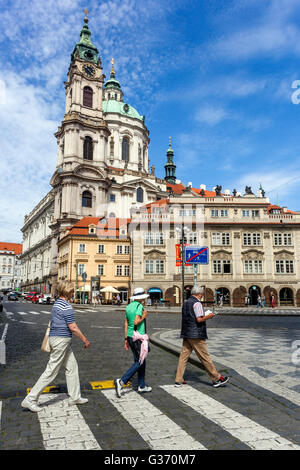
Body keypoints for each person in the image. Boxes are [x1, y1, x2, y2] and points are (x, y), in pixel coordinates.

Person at [21, 281, 90, 413]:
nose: (73, 293)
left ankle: (75, 397)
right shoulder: (67, 306)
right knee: (51, 371)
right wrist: (85, 340)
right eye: (72, 291)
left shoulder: (57, 303)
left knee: (72, 367)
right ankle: (30, 399)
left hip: (56, 339)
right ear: (68, 292)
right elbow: (73, 327)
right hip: (61, 341)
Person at [175, 285, 229, 388]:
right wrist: (210, 315)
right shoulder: (197, 303)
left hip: (187, 333)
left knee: (183, 357)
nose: (202, 296)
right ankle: (216, 378)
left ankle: (179, 379)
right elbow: (199, 319)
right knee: (205, 357)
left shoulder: (186, 303)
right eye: (202, 294)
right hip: (196, 334)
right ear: (199, 294)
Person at [114, 287, 151, 398]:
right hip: (138, 338)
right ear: (141, 298)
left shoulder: (129, 306)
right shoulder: (140, 307)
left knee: (141, 360)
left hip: (130, 336)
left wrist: (125, 339)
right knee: (139, 362)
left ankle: (141, 385)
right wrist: (144, 315)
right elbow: (136, 321)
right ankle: (121, 381)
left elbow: (126, 324)